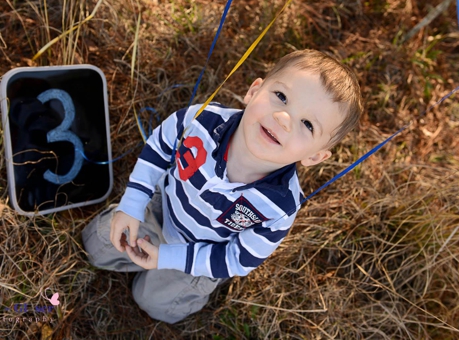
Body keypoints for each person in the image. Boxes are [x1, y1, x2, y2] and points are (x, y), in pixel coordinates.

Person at [82, 49, 363, 323]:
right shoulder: (201, 121)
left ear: (314, 156)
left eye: (307, 124)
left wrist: (169, 258)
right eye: (281, 96)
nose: (284, 119)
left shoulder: (279, 206)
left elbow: (237, 258)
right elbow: (160, 146)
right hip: (162, 208)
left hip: (201, 255)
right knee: (96, 244)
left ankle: (180, 287)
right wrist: (132, 205)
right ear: (254, 91)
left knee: (154, 304)